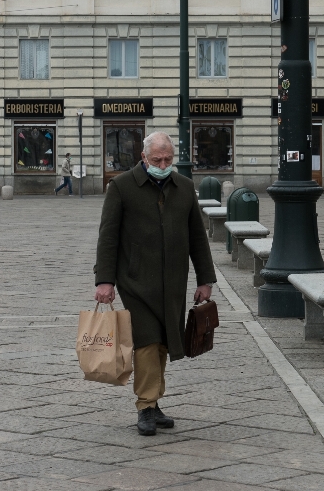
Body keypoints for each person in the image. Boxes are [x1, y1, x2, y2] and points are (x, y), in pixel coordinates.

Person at [94, 131, 215, 436]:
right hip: (135, 280)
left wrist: (206, 279)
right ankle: (146, 405)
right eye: (157, 159)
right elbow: (108, 236)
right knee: (147, 340)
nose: (163, 164)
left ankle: (154, 401)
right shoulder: (122, 187)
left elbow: (198, 238)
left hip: (173, 279)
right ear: (143, 157)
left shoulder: (184, 187)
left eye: (168, 159)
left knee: (164, 339)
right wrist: (105, 280)